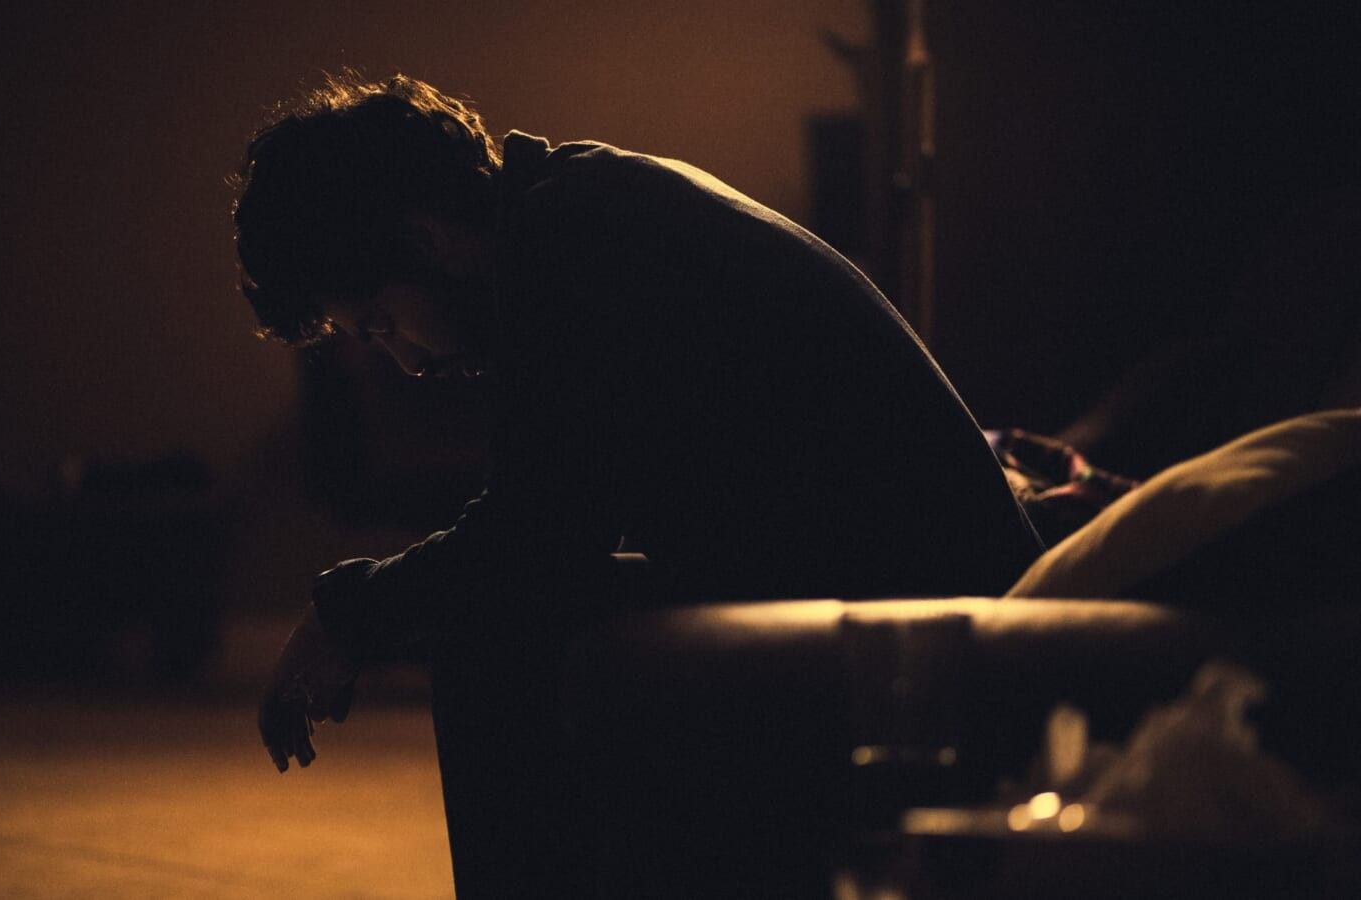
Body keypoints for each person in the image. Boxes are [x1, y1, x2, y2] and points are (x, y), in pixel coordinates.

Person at [235, 72, 1042, 892]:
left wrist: (348, 612)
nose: (405, 361)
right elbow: (550, 522)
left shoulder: (572, 244)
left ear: (426, 237)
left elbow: (532, 536)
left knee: (493, 635)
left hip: (934, 639)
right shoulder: (571, 208)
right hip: (881, 596)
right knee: (511, 611)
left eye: (380, 325)